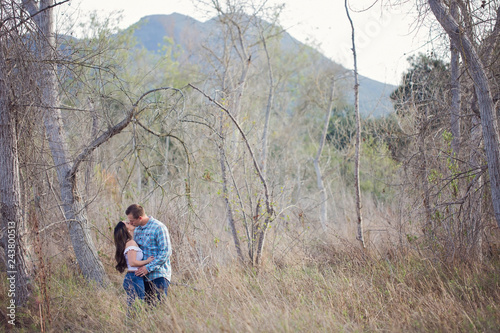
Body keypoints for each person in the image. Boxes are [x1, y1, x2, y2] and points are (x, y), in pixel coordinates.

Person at [125, 204, 172, 304]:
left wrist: (148, 268)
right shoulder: (136, 230)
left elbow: (166, 252)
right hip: (141, 278)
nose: (130, 223)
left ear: (140, 218)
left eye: (132, 220)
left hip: (158, 275)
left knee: (158, 308)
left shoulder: (159, 227)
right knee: (146, 310)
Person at [113, 221, 154, 306]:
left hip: (133, 277)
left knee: (135, 307)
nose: (130, 223)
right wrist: (147, 261)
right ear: (126, 230)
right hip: (134, 278)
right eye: (127, 223)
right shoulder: (130, 243)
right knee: (136, 308)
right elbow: (132, 262)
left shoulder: (130, 242)